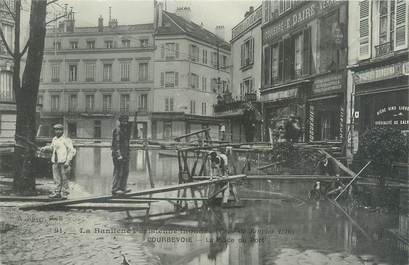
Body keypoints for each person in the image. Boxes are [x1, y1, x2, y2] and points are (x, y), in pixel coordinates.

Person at [40, 124, 76, 199]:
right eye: (56, 130)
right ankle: (57, 192)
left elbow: (71, 151)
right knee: (56, 179)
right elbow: (52, 148)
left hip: (64, 162)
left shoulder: (66, 139)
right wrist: (45, 148)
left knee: (64, 178)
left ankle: (65, 193)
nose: (58, 131)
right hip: (55, 161)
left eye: (60, 130)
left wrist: (68, 161)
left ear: (63, 131)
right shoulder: (54, 139)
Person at [111, 114, 131, 195]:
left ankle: (123, 187)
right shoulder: (117, 130)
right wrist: (119, 154)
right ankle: (115, 188)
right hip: (118, 155)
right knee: (118, 171)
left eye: (126, 121)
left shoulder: (125, 130)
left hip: (125, 154)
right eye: (123, 121)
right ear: (120, 121)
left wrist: (128, 152)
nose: (125, 123)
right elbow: (116, 143)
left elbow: (126, 142)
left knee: (125, 171)